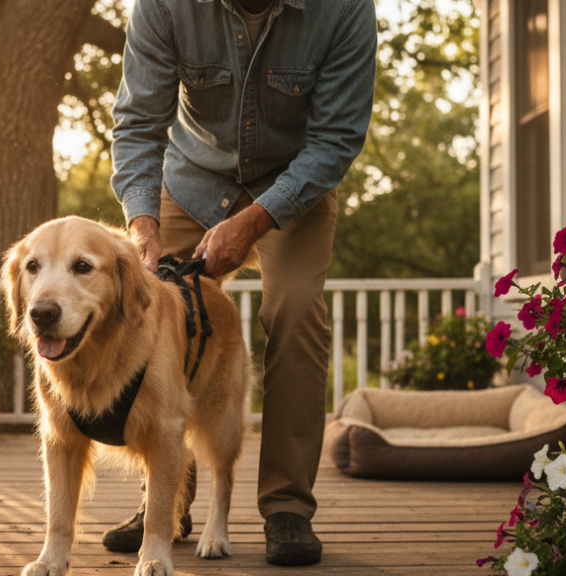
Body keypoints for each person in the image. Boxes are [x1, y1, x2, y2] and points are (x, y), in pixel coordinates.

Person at [107, 0, 377, 567]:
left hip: (295, 184)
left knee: (297, 311)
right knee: (148, 310)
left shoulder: (345, 9)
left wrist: (255, 219)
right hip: (189, 178)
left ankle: (286, 508)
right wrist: (142, 223)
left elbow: (336, 138)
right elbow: (137, 124)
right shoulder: (163, 6)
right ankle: (168, 502)